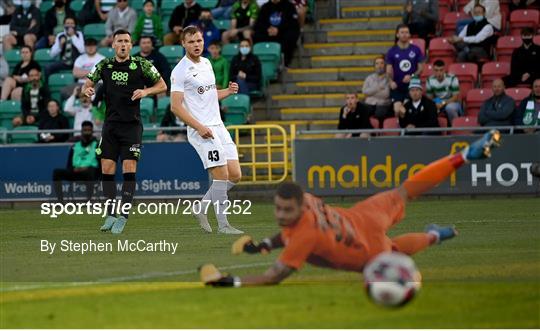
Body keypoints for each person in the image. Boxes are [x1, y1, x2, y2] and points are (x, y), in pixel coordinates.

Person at [199, 130, 503, 287]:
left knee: (394, 250)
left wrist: (229, 281)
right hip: (361, 216)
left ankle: (436, 231)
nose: (280, 216)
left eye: (285, 211)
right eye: (277, 210)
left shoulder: (304, 234)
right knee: (404, 191)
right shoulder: (306, 202)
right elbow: (285, 232)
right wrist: (263, 245)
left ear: (299, 206)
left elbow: (273, 278)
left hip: (365, 249)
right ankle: (464, 156)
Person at [83, 29, 167, 234]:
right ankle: (111, 213)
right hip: (110, 125)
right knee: (107, 170)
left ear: (131, 45)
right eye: (119, 41)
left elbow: (162, 85)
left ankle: (124, 216)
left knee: (129, 170)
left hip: (131, 126)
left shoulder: (142, 65)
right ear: (113, 45)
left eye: (126, 41)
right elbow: (88, 81)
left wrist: (146, 91)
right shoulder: (104, 64)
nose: (122, 44)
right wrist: (87, 89)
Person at [170, 25, 244, 234]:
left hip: (218, 126)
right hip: (200, 129)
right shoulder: (180, 71)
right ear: (183, 43)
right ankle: (224, 225)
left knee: (235, 175)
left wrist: (227, 92)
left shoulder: (207, 63)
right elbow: (175, 106)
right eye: (191, 41)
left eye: (199, 40)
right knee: (221, 173)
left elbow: (209, 96)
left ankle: (200, 207)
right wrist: (199, 127)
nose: (196, 45)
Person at [52, 121, 100, 202]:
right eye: (85, 130)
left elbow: (101, 160)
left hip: (91, 173)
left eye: (89, 130)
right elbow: (69, 164)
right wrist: (73, 169)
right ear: (81, 131)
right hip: (76, 172)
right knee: (56, 172)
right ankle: (60, 201)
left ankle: (89, 200)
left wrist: (89, 168)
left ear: (92, 131)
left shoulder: (97, 146)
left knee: (91, 171)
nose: (87, 132)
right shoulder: (75, 146)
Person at [385, 24, 425, 109]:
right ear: (397, 35)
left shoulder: (416, 49)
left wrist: (412, 76)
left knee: (406, 109)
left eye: (406, 32)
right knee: (397, 110)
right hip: (397, 87)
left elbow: (421, 69)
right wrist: (390, 82)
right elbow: (388, 71)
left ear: (410, 35)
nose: (404, 34)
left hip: (412, 86)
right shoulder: (391, 51)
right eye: (402, 32)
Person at [253, 0, 300, 67]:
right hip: (268, 33)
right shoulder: (265, 7)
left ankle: (284, 62)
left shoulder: (289, 6)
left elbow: (293, 23)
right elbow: (259, 23)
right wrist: (268, 29)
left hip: (283, 32)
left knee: (291, 35)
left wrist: (279, 29)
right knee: (256, 35)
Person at [426, 60, 462, 124]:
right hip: (438, 102)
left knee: (450, 108)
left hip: (452, 102)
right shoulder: (429, 80)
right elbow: (429, 98)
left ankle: (456, 127)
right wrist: (436, 103)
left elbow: (455, 97)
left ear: (445, 70)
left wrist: (443, 103)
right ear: (433, 70)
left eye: (441, 70)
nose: (439, 73)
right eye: (436, 70)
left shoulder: (452, 78)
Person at [362, 55, 392, 121]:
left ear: (385, 65)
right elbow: (364, 91)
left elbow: (386, 94)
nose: (379, 66)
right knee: (361, 111)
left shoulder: (389, 78)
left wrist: (371, 93)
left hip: (383, 104)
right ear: (374, 66)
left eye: (381, 63)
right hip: (369, 104)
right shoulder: (369, 78)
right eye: (377, 63)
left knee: (379, 113)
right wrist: (378, 88)